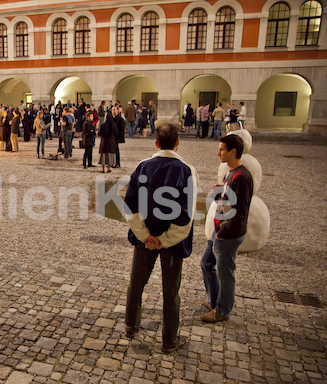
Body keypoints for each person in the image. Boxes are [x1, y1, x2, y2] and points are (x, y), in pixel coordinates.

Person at [123, 123, 198, 353]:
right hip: (173, 244)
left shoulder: (142, 166)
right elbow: (187, 214)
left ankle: (130, 325)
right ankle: (169, 340)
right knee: (170, 290)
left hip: (145, 240)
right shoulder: (187, 171)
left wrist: (146, 236)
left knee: (137, 283)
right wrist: (165, 239)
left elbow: (130, 206)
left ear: (156, 143)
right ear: (178, 142)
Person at [200, 135, 252, 323]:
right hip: (220, 229)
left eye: (222, 149)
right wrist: (221, 190)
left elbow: (240, 212)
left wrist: (224, 232)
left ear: (233, 152)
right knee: (206, 263)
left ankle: (222, 311)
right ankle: (214, 300)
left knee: (226, 274)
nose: (218, 153)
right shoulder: (231, 173)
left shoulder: (242, 177)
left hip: (227, 234)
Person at [98, 107, 118, 173]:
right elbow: (116, 133)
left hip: (104, 142)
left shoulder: (103, 125)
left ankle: (102, 168)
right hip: (111, 142)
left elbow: (99, 133)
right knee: (109, 156)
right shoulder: (114, 125)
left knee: (103, 156)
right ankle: (109, 168)